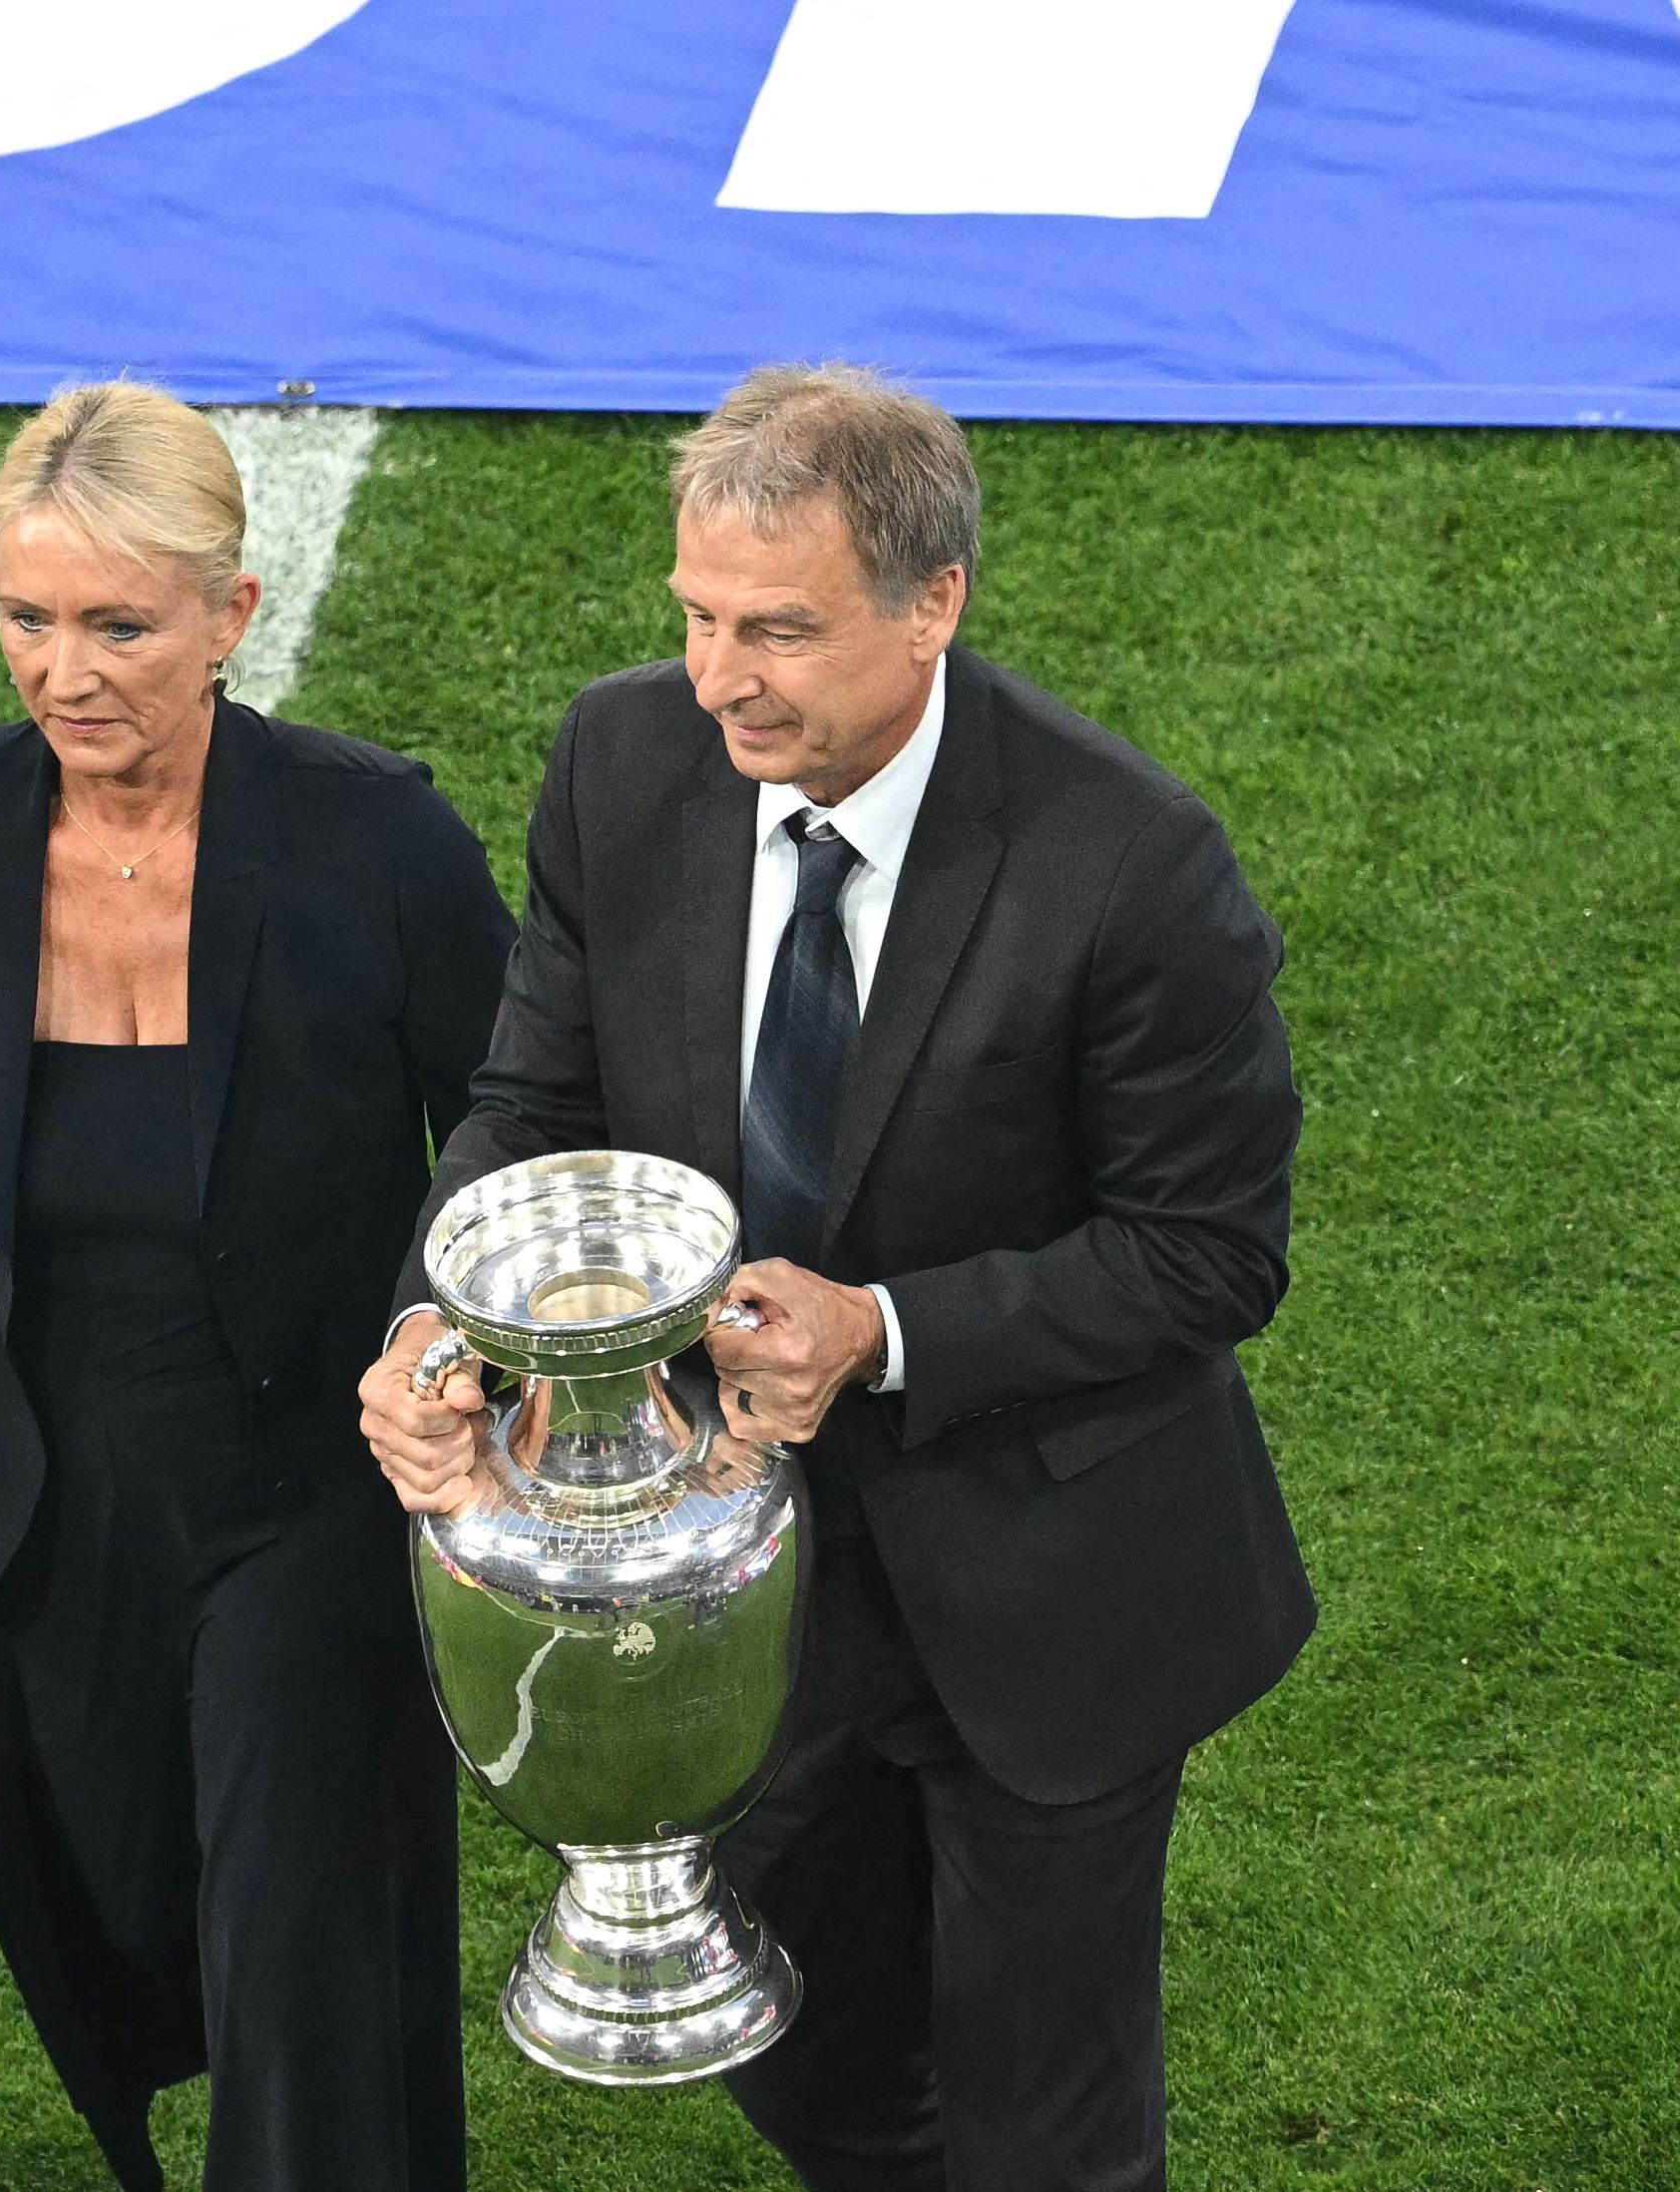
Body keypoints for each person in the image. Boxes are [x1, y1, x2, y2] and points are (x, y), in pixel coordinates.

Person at [359, 364, 1315, 2192]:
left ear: (931, 604)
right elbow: (531, 1107)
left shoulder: (1130, 862)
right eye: (701, 618)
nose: (724, 676)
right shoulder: (626, 760)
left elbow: (1209, 1252)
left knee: (1048, 2132)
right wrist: (432, 1328)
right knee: (811, 2068)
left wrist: (888, 1334)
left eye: (780, 629)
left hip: (1045, 1590)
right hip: (742, 1588)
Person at [0, 383, 512, 2191]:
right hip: (61, 1491)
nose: (64, 671)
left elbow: (521, 1127)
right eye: (27, 618)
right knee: (110, 1900)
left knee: (306, 1948)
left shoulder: (380, 846)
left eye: (118, 624)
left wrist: (464, 1370)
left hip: (317, 1489)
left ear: (233, 612)